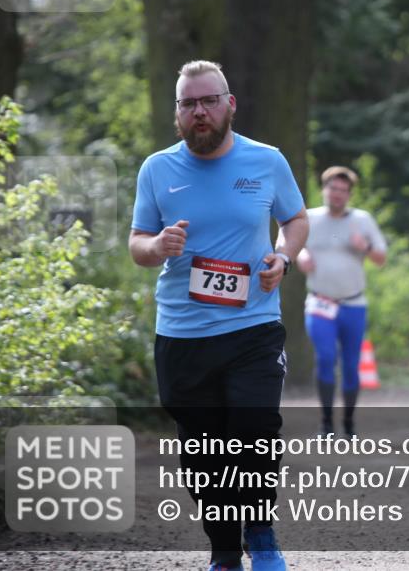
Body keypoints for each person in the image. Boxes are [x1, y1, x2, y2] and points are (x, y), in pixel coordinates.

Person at [129, 60, 309, 571]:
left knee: (255, 431)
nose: (200, 111)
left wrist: (282, 257)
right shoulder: (157, 169)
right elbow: (138, 243)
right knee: (202, 452)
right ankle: (225, 552)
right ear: (178, 113)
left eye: (209, 101)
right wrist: (158, 246)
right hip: (183, 333)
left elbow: (296, 219)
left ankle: (262, 534)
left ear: (229, 104)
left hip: (253, 326)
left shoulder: (266, 161)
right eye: (189, 103)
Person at [297, 165, 387, 437]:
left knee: (350, 364)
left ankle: (348, 423)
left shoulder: (362, 220)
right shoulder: (309, 218)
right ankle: (326, 422)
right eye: (332, 188)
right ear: (324, 189)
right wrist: (301, 254)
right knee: (325, 357)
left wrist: (365, 247)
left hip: (353, 303)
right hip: (320, 302)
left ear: (349, 194)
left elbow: (381, 258)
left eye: (343, 190)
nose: (337, 194)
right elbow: (290, 243)